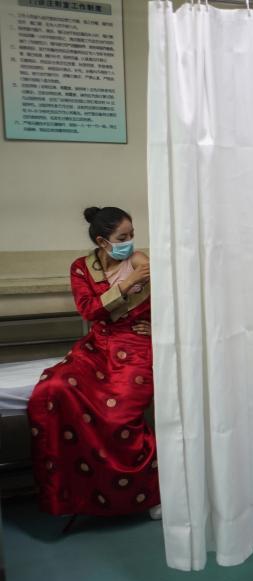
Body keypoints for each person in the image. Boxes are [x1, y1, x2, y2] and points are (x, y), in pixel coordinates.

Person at [27, 207, 160, 518]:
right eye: (122, 238)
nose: (130, 242)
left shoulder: (140, 262)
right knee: (52, 390)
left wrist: (159, 329)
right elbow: (89, 310)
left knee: (119, 417)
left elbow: (174, 300)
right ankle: (73, 494)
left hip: (136, 346)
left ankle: (152, 494)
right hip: (97, 347)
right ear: (102, 241)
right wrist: (126, 284)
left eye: (132, 235)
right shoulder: (81, 268)